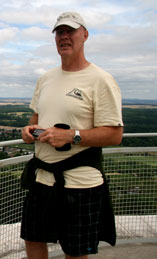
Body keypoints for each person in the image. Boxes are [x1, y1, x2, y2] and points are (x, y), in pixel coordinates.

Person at [20, 11, 124, 259]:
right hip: (43, 178)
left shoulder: (101, 79)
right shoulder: (45, 79)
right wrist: (28, 130)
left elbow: (114, 135)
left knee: (75, 251)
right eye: (59, 32)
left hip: (80, 182)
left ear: (84, 35)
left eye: (70, 31)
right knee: (32, 239)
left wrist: (72, 136)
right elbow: (36, 118)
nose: (64, 37)